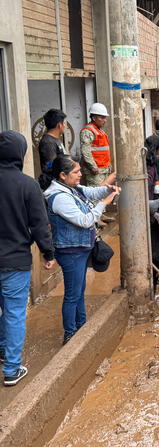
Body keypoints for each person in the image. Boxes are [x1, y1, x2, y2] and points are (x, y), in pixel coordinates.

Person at [43, 156, 121, 344]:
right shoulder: (59, 197)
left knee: (79, 290)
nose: (80, 175)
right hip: (70, 251)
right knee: (72, 294)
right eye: (76, 172)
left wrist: (107, 189)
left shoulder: (72, 188)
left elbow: (92, 192)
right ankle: (70, 333)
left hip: (80, 248)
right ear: (63, 175)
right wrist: (106, 202)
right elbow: (86, 221)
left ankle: (81, 325)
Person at [0, 131, 55, 386]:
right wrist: (48, 252)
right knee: (13, 313)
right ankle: (11, 369)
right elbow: (39, 224)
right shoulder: (27, 184)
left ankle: (3, 349)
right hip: (15, 262)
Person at [80, 103, 112, 187]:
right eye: (101, 117)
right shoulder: (88, 131)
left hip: (103, 170)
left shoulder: (100, 131)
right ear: (94, 118)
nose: (104, 120)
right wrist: (93, 167)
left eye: (105, 117)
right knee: (96, 196)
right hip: (95, 172)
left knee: (103, 195)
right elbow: (85, 151)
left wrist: (108, 164)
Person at [39, 108, 68, 176]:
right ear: (59, 125)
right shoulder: (48, 142)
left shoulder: (56, 139)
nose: (65, 126)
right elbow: (50, 164)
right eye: (64, 123)